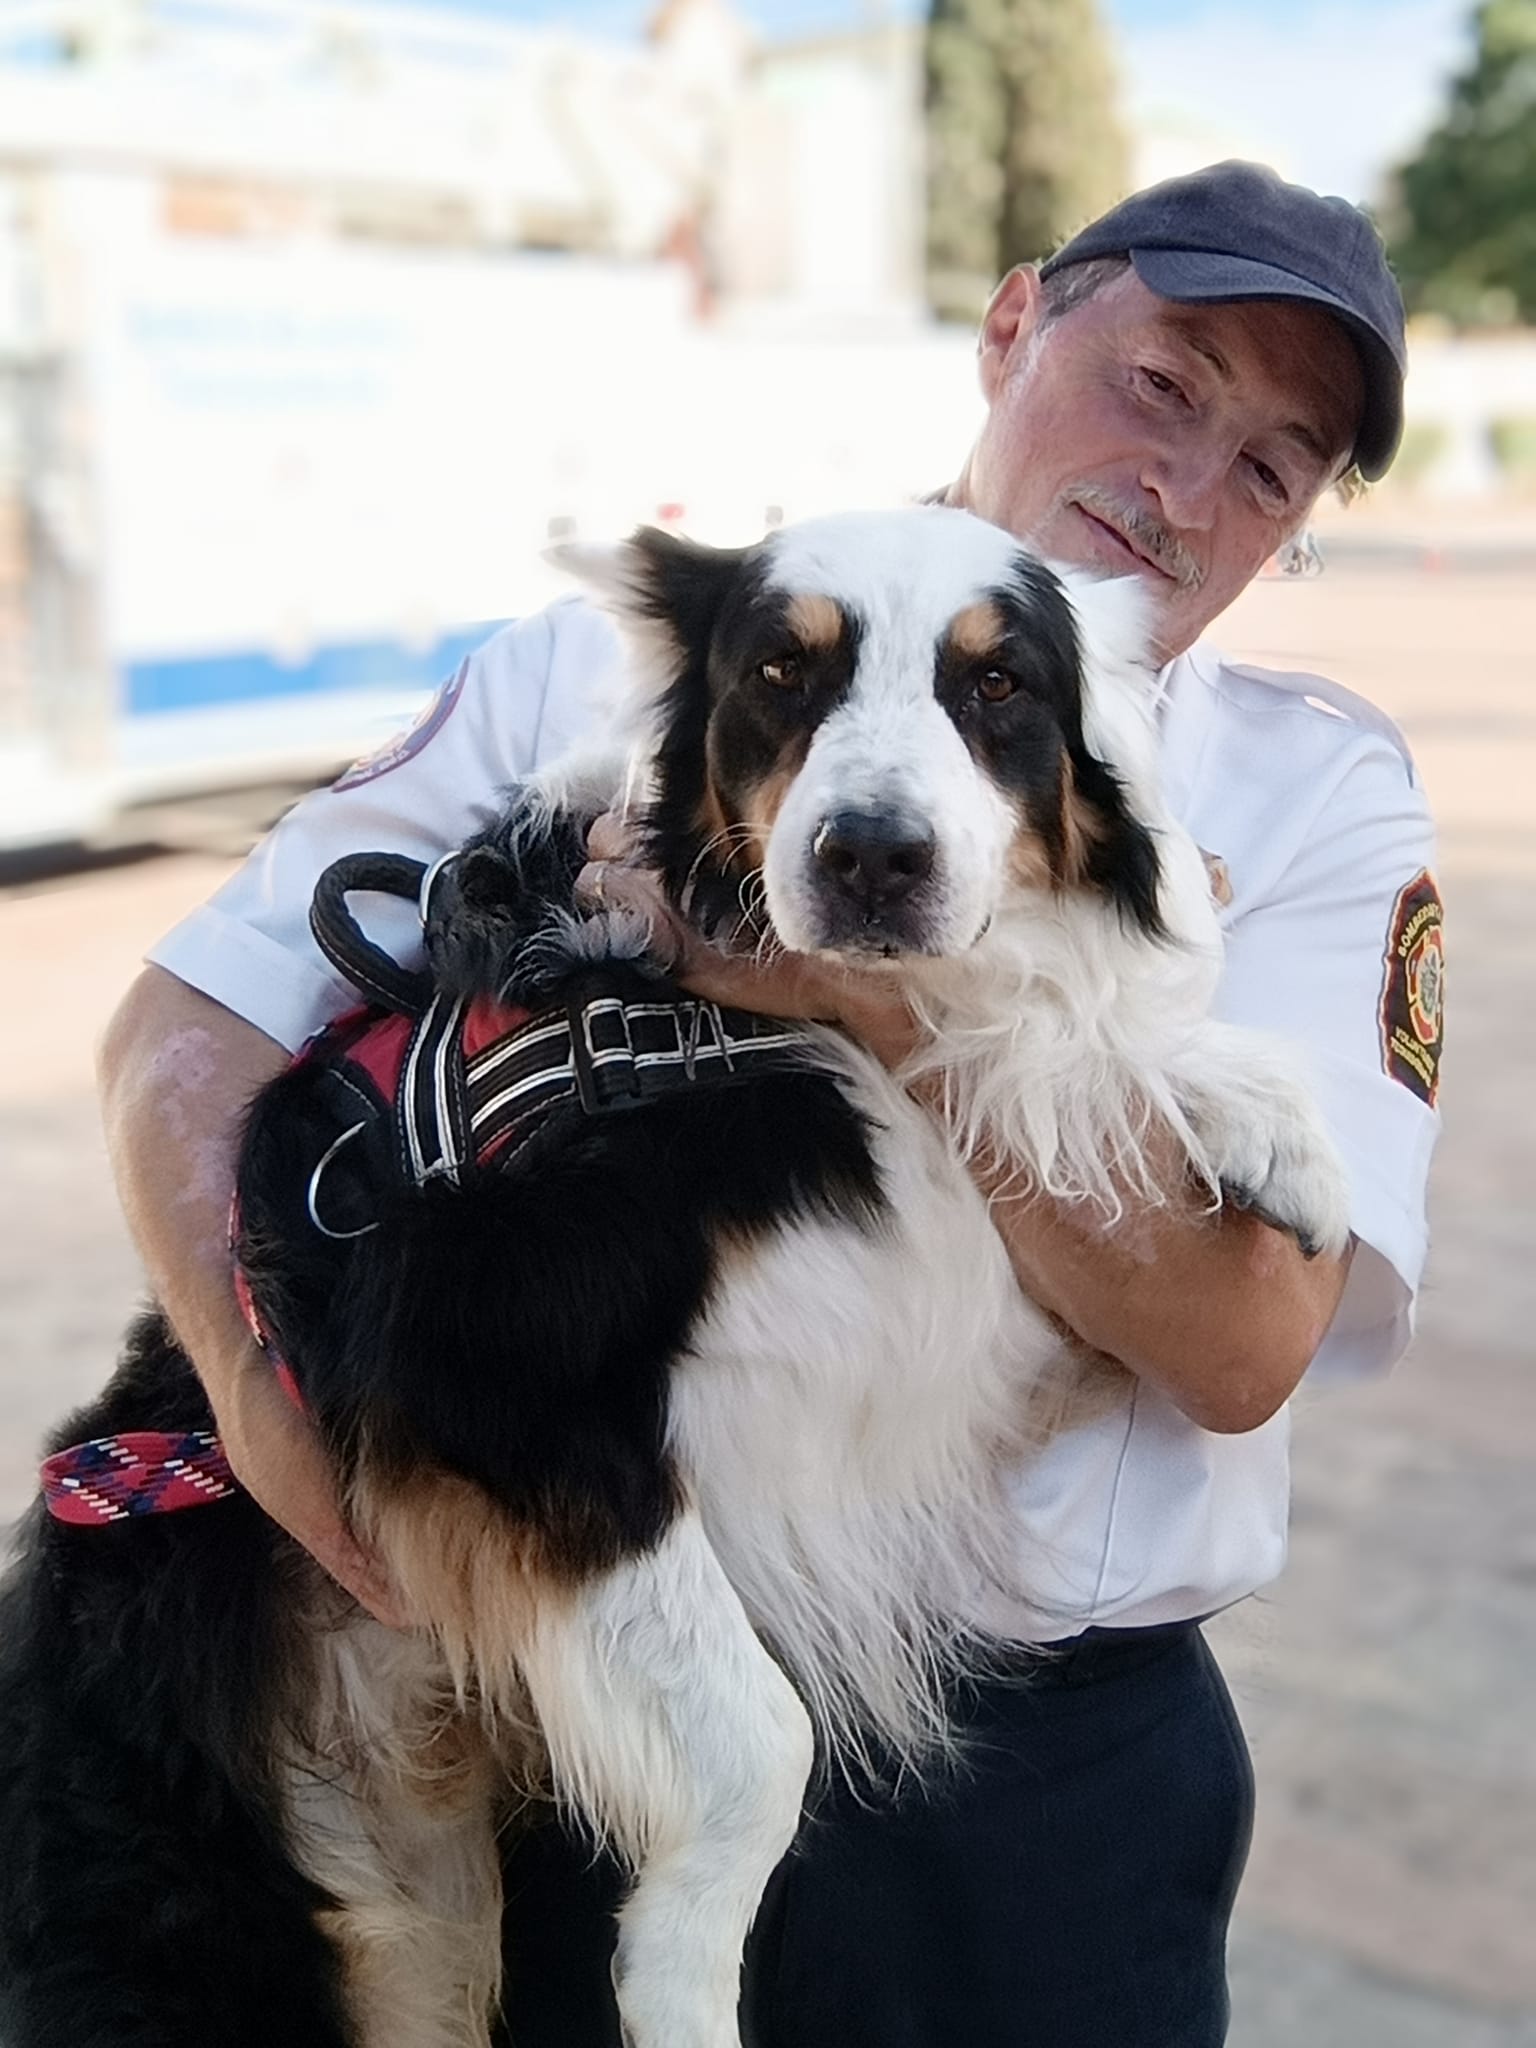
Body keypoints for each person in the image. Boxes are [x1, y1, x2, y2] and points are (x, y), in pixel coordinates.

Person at [98, 162, 1441, 2045]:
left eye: (1273, 466)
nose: (1187, 484)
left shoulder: (1314, 803)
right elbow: (188, 1027)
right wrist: (260, 1411)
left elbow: (1239, 1341)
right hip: (596, 1697)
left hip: (1032, 1792)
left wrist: (840, 974)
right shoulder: (612, 666)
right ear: (1013, 325)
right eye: (1164, 383)